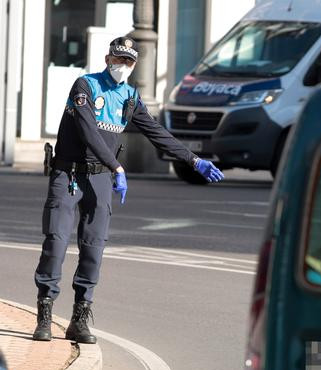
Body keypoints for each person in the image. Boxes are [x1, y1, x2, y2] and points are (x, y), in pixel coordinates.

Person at [32, 37, 224, 344]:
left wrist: (193, 159)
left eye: (129, 62)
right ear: (108, 58)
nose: (123, 66)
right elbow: (88, 132)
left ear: (134, 66)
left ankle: (79, 318)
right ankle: (44, 314)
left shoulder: (130, 97)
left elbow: (156, 132)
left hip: (100, 180)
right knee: (55, 242)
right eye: (118, 59)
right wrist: (117, 167)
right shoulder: (85, 87)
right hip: (68, 174)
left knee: (93, 248)